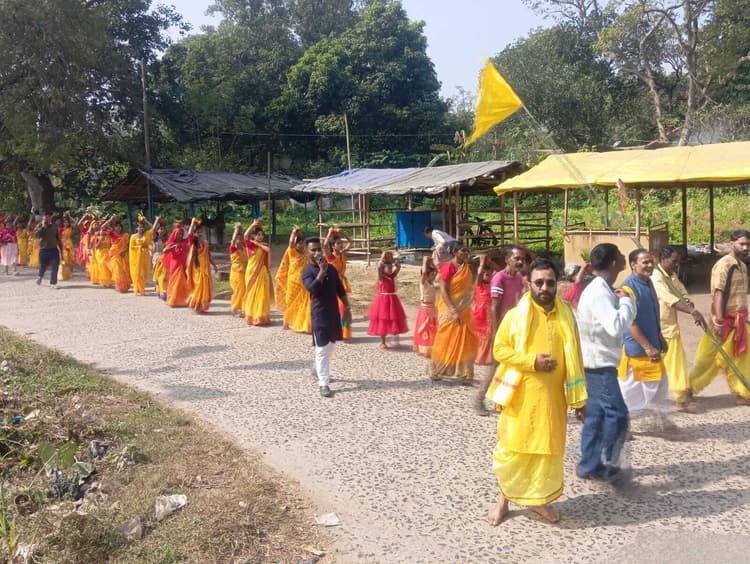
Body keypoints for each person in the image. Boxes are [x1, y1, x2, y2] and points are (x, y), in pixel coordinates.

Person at [486, 259, 587, 526]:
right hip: (521, 399)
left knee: (545, 452)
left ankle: (538, 500)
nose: (544, 287)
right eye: (538, 282)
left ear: (557, 284)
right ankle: (503, 501)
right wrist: (532, 362)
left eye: (550, 282)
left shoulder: (566, 315)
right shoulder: (515, 316)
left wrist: (580, 400)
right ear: (528, 283)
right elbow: (499, 350)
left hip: (552, 399)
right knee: (515, 450)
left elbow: (575, 356)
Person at [575, 243, 636, 482]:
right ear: (613, 263)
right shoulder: (599, 292)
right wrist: (627, 302)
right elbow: (616, 326)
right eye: (620, 255)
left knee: (597, 416)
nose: (623, 258)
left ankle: (589, 464)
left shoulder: (602, 289)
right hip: (598, 365)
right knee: (618, 414)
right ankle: (609, 463)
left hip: (597, 362)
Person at [689, 230, 750, 406]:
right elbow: (718, 294)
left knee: (742, 357)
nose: (745, 248)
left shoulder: (742, 266)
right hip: (723, 321)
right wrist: (719, 320)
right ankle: (687, 389)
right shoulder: (723, 265)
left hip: (739, 320)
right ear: (731, 244)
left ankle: (742, 393)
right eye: (742, 244)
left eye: (748, 244)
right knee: (707, 358)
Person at [652, 246, 706, 413]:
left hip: (670, 327)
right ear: (663, 259)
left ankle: (679, 398)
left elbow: (681, 292)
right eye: (674, 261)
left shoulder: (672, 276)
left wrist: (689, 303)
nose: (677, 264)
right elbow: (669, 299)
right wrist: (692, 311)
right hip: (661, 328)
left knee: (675, 363)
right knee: (672, 364)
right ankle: (679, 400)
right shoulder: (656, 277)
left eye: (678, 261)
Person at [474, 245, 527, 415]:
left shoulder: (518, 277)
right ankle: (478, 400)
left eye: (522, 259)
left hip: (516, 328)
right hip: (502, 329)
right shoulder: (499, 278)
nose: (520, 261)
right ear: (507, 259)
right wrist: (496, 332)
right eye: (516, 258)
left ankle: (508, 400)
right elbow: (494, 307)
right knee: (494, 366)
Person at [618, 249, 670, 414]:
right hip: (638, 351)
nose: (649, 265)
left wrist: (659, 337)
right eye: (645, 262)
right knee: (630, 394)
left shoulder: (648, 282)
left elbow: (652, 314)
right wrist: (648, 347)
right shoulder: (628, 288)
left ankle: (655, 421)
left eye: (651, 262)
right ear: (633, 265)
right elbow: (630, 322)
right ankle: (621, 423)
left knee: (658, 388)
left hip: (652, 346)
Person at [302, 237, 352, 398]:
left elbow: (340, 289)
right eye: (313, 250)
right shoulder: (307, 272)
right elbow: (313, 289)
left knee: (330, 346)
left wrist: (347, 307)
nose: (317, 252)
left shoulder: (331, 269)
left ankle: (317, 368)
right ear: (307, 252)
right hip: (319, 316)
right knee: (322, 349)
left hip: (333, 314)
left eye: (319, 249)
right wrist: (321, 272)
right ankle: (323, 383)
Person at [430, 244, 478, 381]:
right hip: (449, 308)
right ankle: (436, 369)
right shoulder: (448, 267)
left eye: (467, 250)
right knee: (445, 338)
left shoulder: (466, 268)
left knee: (466, 339)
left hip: (464, 309)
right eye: (463, 250)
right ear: (455, 252)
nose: (466, 253)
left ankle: (464, 372)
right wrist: (453, 310)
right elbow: (443, 290)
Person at [367, 251, 409, 349]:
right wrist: (383, 257)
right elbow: (379, 267)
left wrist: (396, 263)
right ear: (383, 269)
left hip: (393, 300)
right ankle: (383, 342)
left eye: (391, 268)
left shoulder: (392, 276)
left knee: (395, 319)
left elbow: (397, 268)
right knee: (383, 320)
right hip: (383, 300)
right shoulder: (381, 277)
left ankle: (395, 339)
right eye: (388, 268)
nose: (390, 269)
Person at [324, 227, 353, 341]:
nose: (340, 245)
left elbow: (351, 242)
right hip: (332, 283)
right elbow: (324, 245)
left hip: (342, 283)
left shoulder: (342, 254)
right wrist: (329, 232)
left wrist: (342, 232)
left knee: (344, 307)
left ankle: (344, 332)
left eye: (341, 243)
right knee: (334, 307)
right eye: (338, 243)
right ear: (332, 246)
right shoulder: (330, 257)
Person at [242, 220, 273, 326]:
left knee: (262, 294)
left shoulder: (262, 245)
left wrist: (258, 243)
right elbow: (245, 236)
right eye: (258, 235)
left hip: (262, 273)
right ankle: (252, 316)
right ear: (253, 236)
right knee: (252, 294)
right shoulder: (250, 245)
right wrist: (252, 225)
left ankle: (261, 316)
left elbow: (268, 250)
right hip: (252, 272)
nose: (260, 237)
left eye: (261, 235)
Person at [282, 228, 312, 334]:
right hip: (292, 282)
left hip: (304, 283)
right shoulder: (292, 253)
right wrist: (293, 233)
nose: (301, 245)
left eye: (302, 243)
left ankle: (301, 323)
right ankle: (286, 322)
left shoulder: (306, 254)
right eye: (298, 243)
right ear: (295, 245)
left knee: (303, 303)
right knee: (290, 302)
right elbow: (290, 242)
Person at [186, 219, 217, 313]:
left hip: (205, 268)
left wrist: (214, 265)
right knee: (198, 286)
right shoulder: (193, 243)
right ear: (194, 233)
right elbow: (189, 234)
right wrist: (192, 223)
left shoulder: (205, 243)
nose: (199, 234)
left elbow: (209, 255)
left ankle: (202, 306)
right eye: (197, 232)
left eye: (200, 232)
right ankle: (195, 304)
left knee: (205, 287)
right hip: (197, 267)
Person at [472, 255, 496, 365]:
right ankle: (478, 356)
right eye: (487, 275)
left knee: (489, 333)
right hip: (479, 313)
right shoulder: (479, 284)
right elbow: (479, 274)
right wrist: (481, 263)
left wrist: (490, 262)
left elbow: (498, 270)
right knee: (480, 333)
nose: (489, 276)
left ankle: (487, 357)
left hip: (489, 313)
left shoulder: (492, 284)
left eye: (490, 274)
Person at [413, 256, 438, 357]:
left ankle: (431, 347)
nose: (434, 276)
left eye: (433, 275)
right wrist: (424, 262)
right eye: (431, 275)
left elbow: (436, 271)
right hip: (425, 309)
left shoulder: (431, 283)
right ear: (426, 276)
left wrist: (431, 264)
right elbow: (424, 273)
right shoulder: (423, 283)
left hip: (432, 308)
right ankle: (424, 348)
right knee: (425, 329)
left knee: (432, 328)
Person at [162, 221, 190, 307]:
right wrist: (174, 246)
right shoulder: (172, 243)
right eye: (178, 234)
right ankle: (173, 300)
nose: (180, 235)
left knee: (183, 282)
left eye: (181, 234)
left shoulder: (184, 242)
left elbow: (189, 235)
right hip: (175, 265)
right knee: (175, 283)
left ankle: (183, 300)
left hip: (183, 264)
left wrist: (189, 224)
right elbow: (164, 251)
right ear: (175, 235)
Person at [34, 211, 62, 288]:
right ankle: (40, 276)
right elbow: (36, 235)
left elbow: (58, 238)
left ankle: (53, 283)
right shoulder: (40, 226)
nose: (47, 218)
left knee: (55, 266)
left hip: (54, 249)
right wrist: (43, 227)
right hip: (44, 250)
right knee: (43, 266)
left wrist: (61, 249)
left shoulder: (54, 226)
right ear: (43, 217)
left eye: (49, 216)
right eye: (46, 216)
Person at [103, 216, 131, 293]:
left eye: (120, 226)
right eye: (116, 226)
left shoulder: (125, 235)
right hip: (115, 255)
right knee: (117, 271)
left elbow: (127, 245)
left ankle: (125, 286)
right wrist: (111, 219)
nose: (118, 228)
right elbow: (103, 227)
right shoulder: (112, 234)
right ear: (114, 228)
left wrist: (124, 252)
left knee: (124, 271)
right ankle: (119, 286)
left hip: (124, 255)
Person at [128, 216, 154, 296]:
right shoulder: (133, 236)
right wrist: (140, 247)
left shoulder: (146, 235)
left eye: (142, 227)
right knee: (137, 273)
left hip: (145, 257)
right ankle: (138, 288)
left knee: (144, 273)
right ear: (137, 228)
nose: (141, 229)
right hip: (136, 258)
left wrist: (146, 220)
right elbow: (131, 247)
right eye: (139, 227)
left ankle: (142, 287)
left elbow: (153, 228)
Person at [228, 223, 248, 316]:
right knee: (239, 290)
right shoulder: (233, 249)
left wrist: (241, 231)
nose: (238, 241)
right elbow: (233, 240)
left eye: (240, 239)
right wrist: (236, 230)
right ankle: (235, 307)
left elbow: (245, 238)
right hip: (236, 273)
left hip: (245, 272)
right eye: (237, 239)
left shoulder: (244, 249)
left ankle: (243, 309)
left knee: (244, 291)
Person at [151, 220, 168, 300]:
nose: (162, 230)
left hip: (165, 258)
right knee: (157, 275)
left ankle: (163, 291)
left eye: (164, 229)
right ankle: (159, 290)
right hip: (157, 258)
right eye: (160, 229)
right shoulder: (155, 238)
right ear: (157, 230)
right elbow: (153, 229)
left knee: (164, 275)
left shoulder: (167, 239)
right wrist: (157, 220)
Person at [58, 212, 76, 281]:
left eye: (67, 222)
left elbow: (76, 223)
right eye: (65, 222)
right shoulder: (60, 229)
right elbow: (59, 237)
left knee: (71, 257)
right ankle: (64, 272)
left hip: (69, 243)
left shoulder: (70, 228)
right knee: (64, 258)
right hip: (63, 243)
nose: (66, 223)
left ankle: (71, 271)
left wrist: (70, 216)